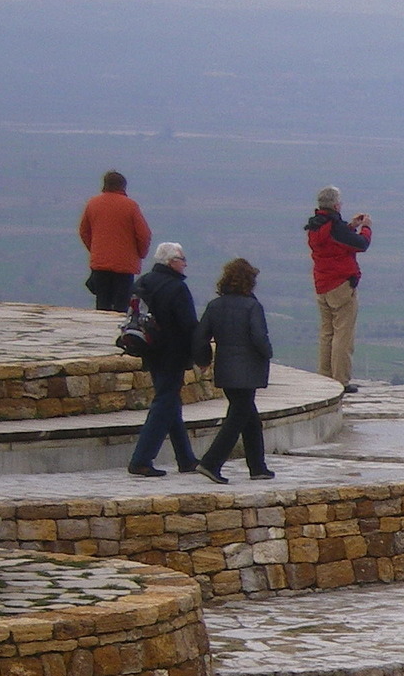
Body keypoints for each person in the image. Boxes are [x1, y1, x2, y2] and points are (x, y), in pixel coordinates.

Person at [192, 258, 275, 482]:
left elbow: (200, 337)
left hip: (226, 370)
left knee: (250, 418)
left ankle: (257, 467)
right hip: (248, 371)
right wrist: (268, 353)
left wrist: (204, 360)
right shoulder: (252, 306)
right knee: (238, 417)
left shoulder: (215, 305)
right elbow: (259, 337)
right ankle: (211, 463)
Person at [125, 243, 199, 478]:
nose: (185, 264)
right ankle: (141, 459)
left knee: (170, 402)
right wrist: (201, 352)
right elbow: (188, 325)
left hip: (149, 349)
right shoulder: (177, 288)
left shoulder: (144, 281)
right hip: (172, 353)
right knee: (164, 403)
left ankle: (185, 458)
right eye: (182, 259)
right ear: (171, 262)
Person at [304, 186, 371, 390]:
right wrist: (366, 228)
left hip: (322, 284)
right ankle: (340, 380)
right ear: (335, 204)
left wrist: (350, 226)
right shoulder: (334, 227)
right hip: (341, 285)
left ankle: (325, 377)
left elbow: (335, 242)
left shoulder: (317, 226)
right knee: (343, 334)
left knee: (327, 332)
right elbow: (361, 244)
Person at [78, 170, 152, 313]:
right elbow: (144, 235)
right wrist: (140, 254)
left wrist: (95, 250)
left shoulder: (93, 204)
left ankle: (101, 330)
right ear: (123, 187)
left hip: (100, 263)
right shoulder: (130, 206)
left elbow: (84, 232)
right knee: (121, 306)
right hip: (125, 264)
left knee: (102, 303)